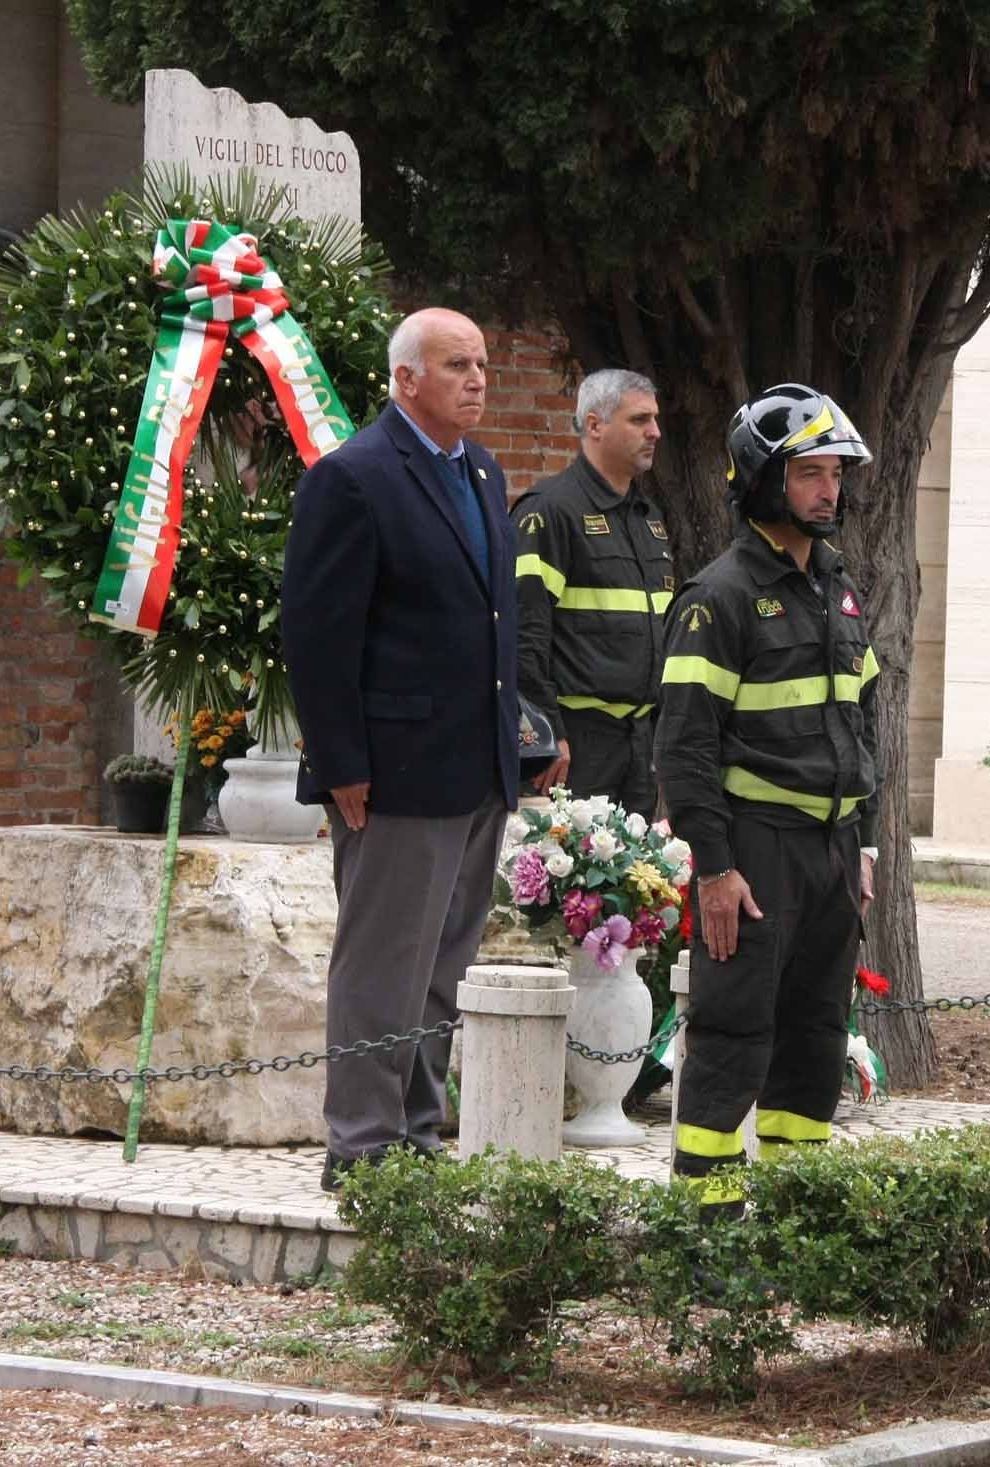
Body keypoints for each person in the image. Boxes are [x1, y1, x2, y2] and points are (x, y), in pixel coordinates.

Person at [281, 308, 519, 1192]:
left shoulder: (484, 472)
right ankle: (363, 1143)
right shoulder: (355, 477)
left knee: (442, 964)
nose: (477, 378)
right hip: (392, 773)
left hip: (475, 766)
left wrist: (517, 736)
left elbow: (494, 619)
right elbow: (316, 630)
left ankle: (418, 1129)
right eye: (458, 363)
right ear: (406, 378)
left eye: (483, 363)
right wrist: (341, 759)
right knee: (383, 962)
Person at [654, 383, 880, 1214]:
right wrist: (715, 868)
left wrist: (863, 846)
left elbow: (865, 725)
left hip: (828, 851)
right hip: (753, 851)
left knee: (816, 1037)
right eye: (811, 473)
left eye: (835, 474)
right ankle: (706, 1219)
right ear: (762, 478)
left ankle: (796, 1215)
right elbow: (683, 747)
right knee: (733, 1033)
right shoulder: (718, 597)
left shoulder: (839, 588)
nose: (830, 491)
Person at [512, 369, 672, 813]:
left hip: (640, 745)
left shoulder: (648, 518)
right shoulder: (549, 511)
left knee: (637, 880)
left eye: (655, 419)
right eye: (639, 420)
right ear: (595, 425)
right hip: (577, 744)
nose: (655, 432)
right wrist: (546, 731)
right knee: (571, 880)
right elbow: (524, 634)